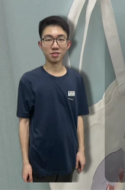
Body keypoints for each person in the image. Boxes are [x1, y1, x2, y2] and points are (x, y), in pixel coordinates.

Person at [18, 15, 88, 183]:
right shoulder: (29, 80)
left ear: (68, 44)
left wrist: (81, 151)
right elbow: (24, 122)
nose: (55, 45)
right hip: (39, 163)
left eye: (60, 39)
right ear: (40, 44)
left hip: (68, 160)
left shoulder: (76, 79)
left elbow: (78, 117)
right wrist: (26, 162)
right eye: (48, 39)